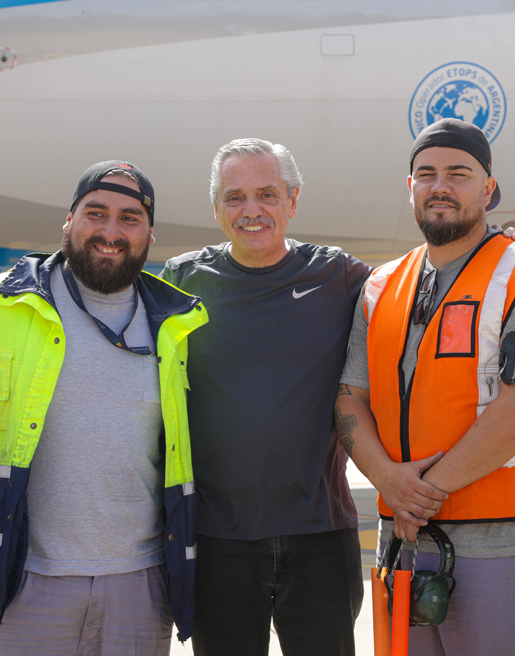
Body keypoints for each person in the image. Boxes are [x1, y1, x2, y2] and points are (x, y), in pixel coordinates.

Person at [335, 118, 515, 656]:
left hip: (502, 546)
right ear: (411, 187)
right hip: (402, 541)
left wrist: (421, 492)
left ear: (488, 188)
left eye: (458, 174)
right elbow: (350, 395)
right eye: (427, 174)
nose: (440, 185)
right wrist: (386, 481)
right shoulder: (380, 285)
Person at [0, 161, 207, 655]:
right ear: (68, 221)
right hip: (20, 580)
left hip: (139, 585)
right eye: (96, 213)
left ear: (150, 234)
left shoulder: (178, 326)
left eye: (130, 219)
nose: (111, 232)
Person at [160, 139, 369, 656]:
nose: (251, 211)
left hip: (320, 533)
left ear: (292, 202)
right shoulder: (182, 282)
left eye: (267, 195)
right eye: (235, 198)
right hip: (216, 539)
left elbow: (422, 293)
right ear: (216, 208)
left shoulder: (340, 276)